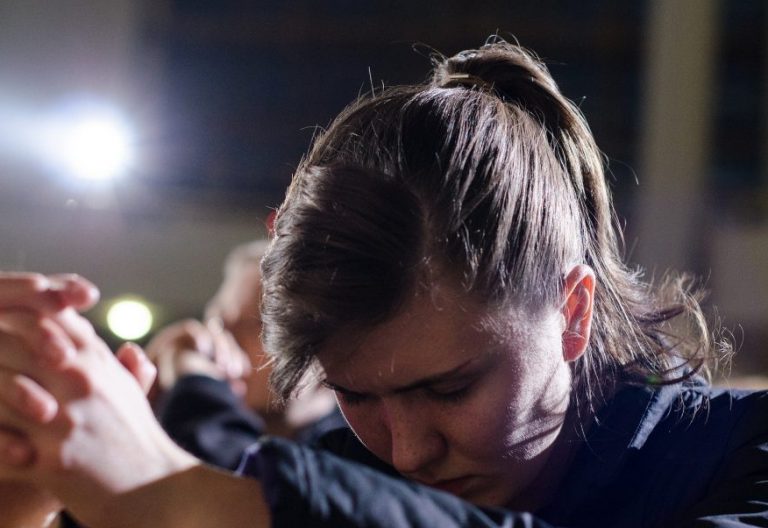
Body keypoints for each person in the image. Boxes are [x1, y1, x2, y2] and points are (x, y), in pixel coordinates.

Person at [0, 39, 766, 528]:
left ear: (572, 311)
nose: (406, 452)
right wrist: (30, 477)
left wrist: (172, 492)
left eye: (449, 389)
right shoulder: (333, 469)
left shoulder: (744, 455)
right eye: (357, 395)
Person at [146, 239, 343, 469]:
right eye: (218, 322)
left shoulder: (364, 460)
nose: (221, 341)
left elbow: (250, 480)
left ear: (330, 349)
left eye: (258, 326)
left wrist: (195, 386)